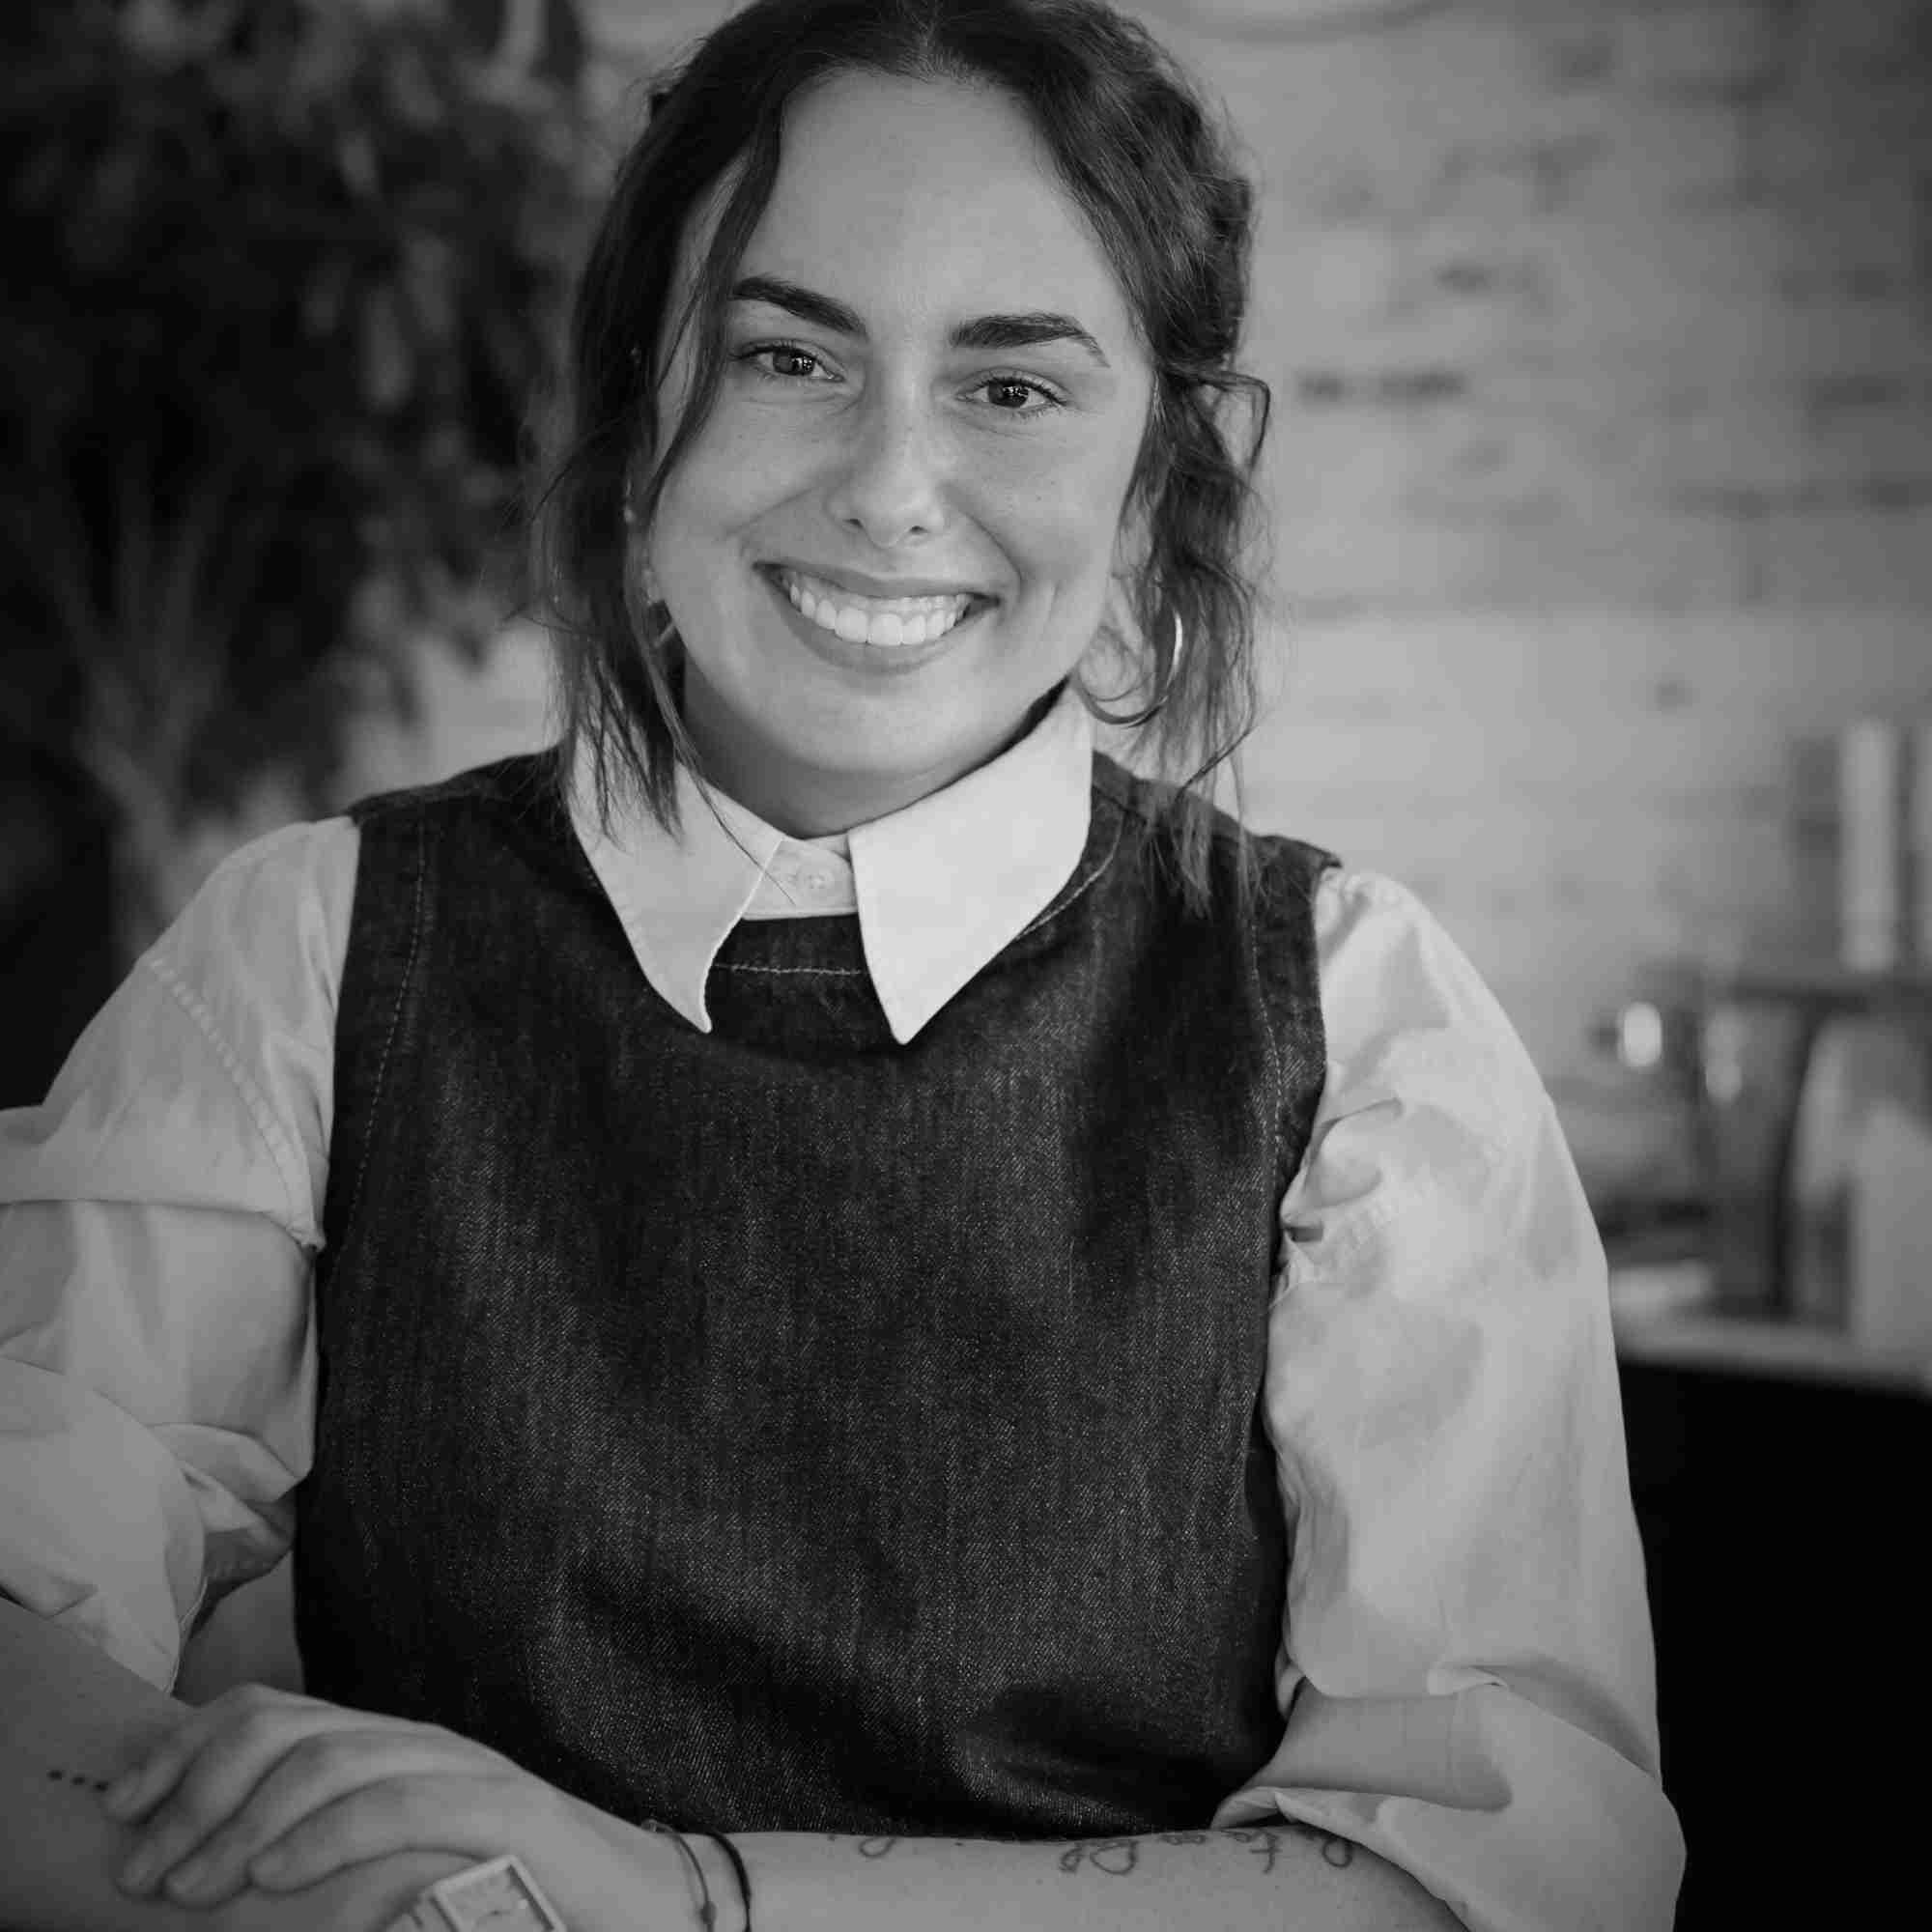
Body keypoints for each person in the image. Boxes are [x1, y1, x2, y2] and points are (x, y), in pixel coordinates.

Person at [0, 1, 1685, 1927]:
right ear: (635, 423)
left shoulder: (1360, 1026)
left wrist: (685, 1898)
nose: (891, 486)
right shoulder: (309, 952)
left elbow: (1491, 1878)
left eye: (1012, 386)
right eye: (787, 355)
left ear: (1153, 486)